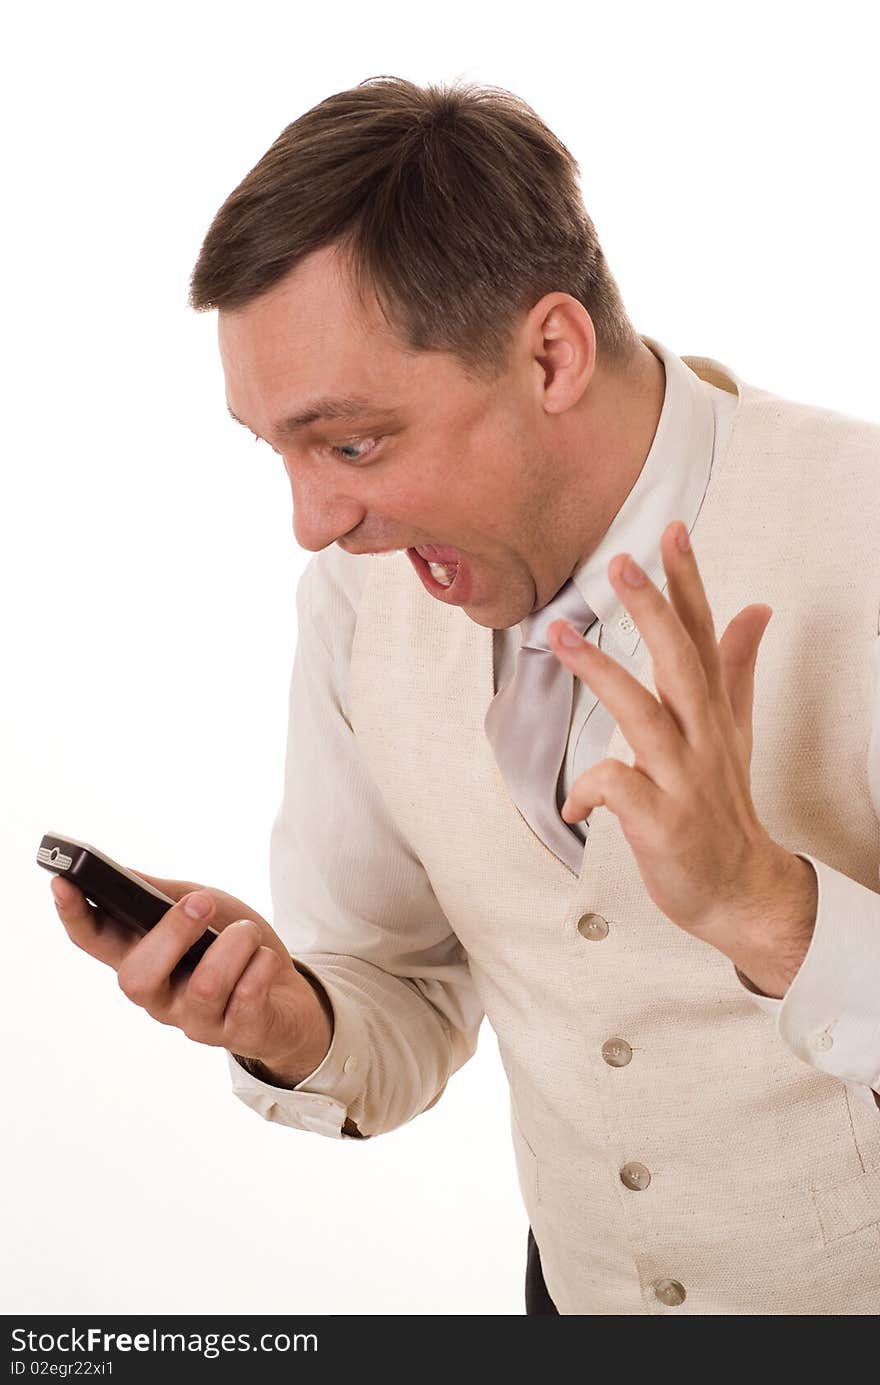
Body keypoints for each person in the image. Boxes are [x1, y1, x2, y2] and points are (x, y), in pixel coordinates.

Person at [52, 76, 880, 1316]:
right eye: (271, 446)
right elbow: (402, 984)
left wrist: (770, 912)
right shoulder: (360, 590)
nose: (313, 521)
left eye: (351, 442)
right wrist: (295, 1016)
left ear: (551, 351)